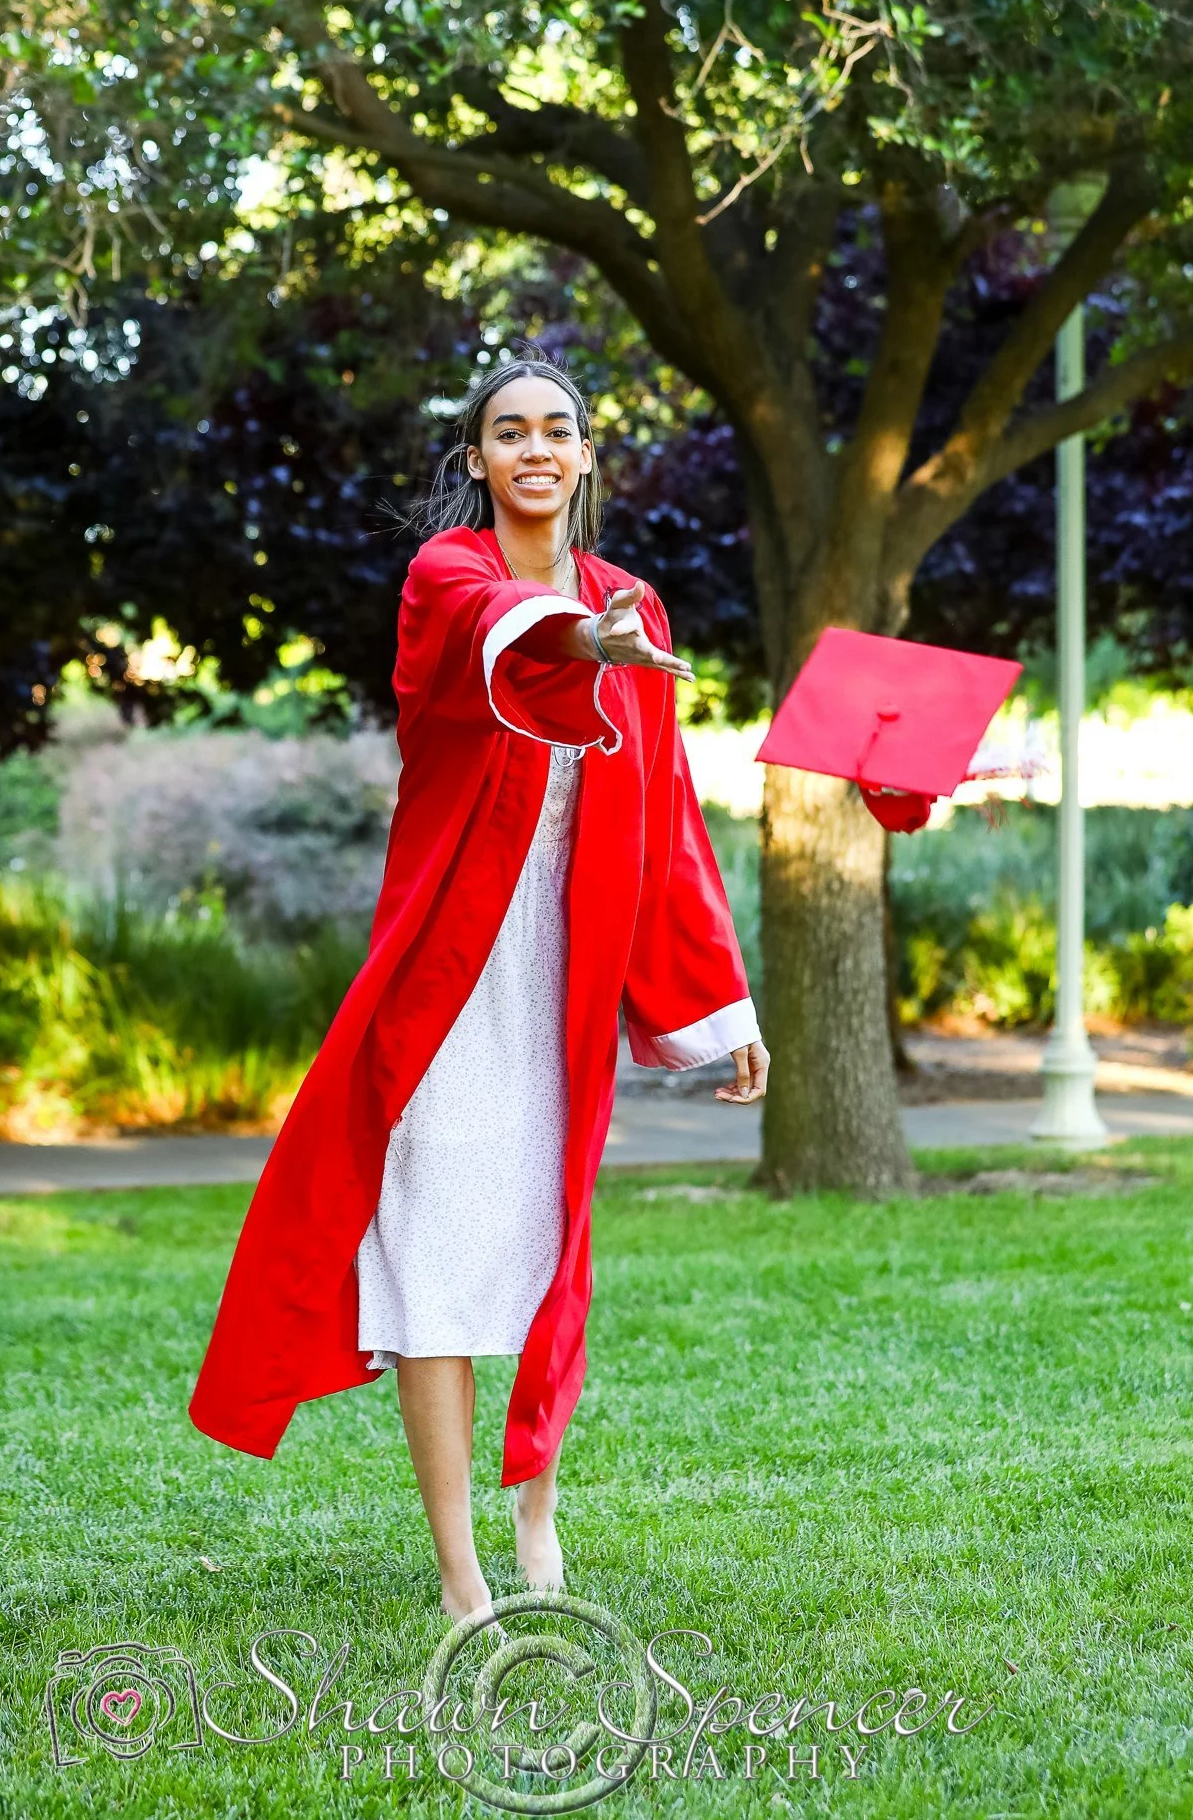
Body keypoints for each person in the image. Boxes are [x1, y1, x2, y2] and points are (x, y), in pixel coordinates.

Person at [188, 354, 768, 1623]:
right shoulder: (447, 576)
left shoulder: (639, 602)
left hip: (564, 978)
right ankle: (462, 1575)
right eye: (511, 432)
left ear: (587, 453)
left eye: (559, 429)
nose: (536, 449)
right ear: (478, 459)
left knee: (548, 1250)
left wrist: (722, 1003)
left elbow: (668, 814)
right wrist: (585, 639)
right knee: (433, 1259)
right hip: (450, 982)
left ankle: (537, 1506)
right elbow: (498, 632)